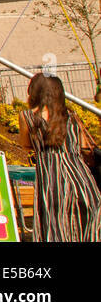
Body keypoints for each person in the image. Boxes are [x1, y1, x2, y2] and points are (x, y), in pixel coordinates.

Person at [18, 73, 101, 242]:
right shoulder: (71, 116)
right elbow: (84, 147)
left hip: (52, 182)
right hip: (82, 180)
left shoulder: (27, 117)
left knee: (56, 230)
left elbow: (26, 145)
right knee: (88, 230)